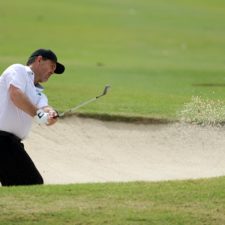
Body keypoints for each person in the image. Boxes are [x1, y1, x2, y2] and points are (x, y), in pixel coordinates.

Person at [0, 49, 65, 186]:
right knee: (31, 182)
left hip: (10, 143)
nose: (53, 71)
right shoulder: (19, 70)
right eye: (52, 66)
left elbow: (44, 109)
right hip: (2, 140)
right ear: (39, 59)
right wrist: (39, 114)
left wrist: (51, 114)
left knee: (21, 184)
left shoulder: (39, 93)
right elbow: (15, 94)